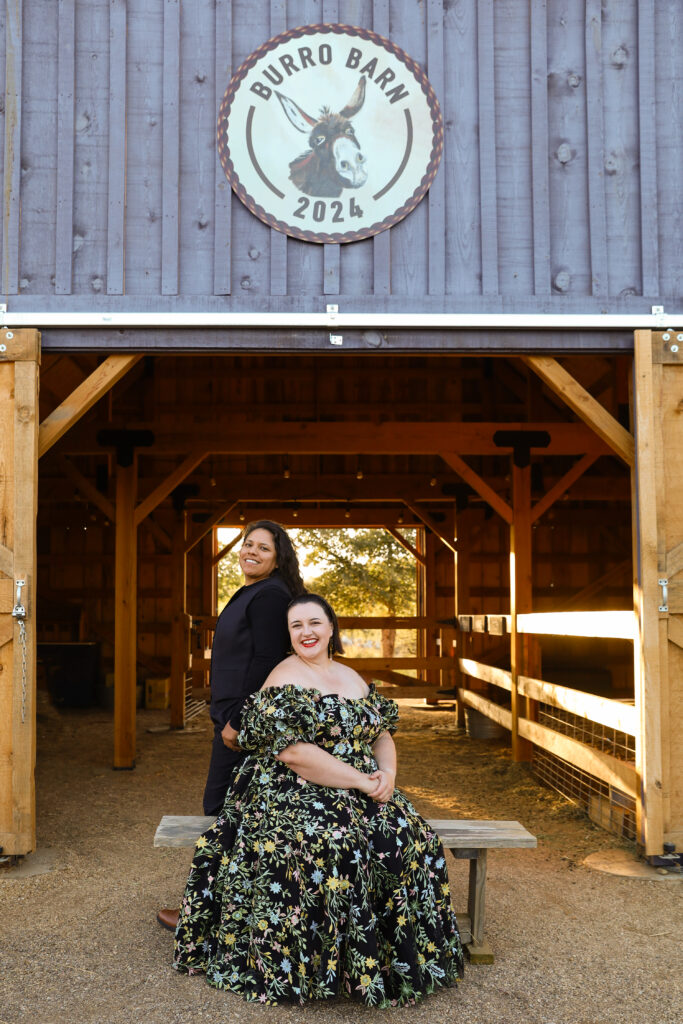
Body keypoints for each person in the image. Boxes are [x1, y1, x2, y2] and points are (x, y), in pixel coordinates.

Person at [173, 594, 463, 1007]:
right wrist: (364, 782)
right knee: (333, 842)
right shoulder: (284, 676)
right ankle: (316, 964)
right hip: (293, 790)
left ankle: (386, 962)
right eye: (296, 626)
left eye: (314, 623)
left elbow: (381, 735)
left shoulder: (352, 676)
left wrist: (389, 777)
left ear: (331, 628)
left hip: (361, 783)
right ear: (289, 636)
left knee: (409, 838)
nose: (306, 632)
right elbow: (295, 755)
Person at [157, 521, 305, 932]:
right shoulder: (254, 592)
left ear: (278, 559)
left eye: (263, 548)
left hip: (243, 726)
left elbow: (267, 662)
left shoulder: (271, 595)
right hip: (233, 720)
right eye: (248, 544)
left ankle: (204, 915)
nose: (251, 552)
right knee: (232, 813)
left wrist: (238, 721)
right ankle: (226, 909)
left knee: (220, 810)